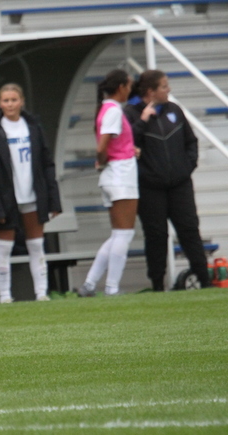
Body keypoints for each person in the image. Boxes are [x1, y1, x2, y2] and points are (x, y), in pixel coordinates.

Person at [125, 70, 211, 291]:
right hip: (150, 188)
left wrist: (187, 166)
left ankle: (205, 280)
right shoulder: (131, 113)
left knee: (189, 230)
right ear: (150, 92)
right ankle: (157, 286)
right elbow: (126, 145)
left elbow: (191, 142)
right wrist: (143, 122)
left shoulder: (174, 110)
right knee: (156, 236)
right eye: (164, 86)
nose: (168, 89)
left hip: (180, 184)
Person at [0, 83, 61, 303]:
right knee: (4, 246)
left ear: (22, 101)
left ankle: (41, 293)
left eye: (14, 100)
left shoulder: (32, 126)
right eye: (5, 100)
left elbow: (46, 163)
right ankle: (5, 296)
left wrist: (53, 199)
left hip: (32, 195)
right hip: (7, 198)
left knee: (36, 245)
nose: (10, 104)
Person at [77, 69, 138, 297]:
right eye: (129, 85)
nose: (130, 90)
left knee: (116, 234)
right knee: (124, 234)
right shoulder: (113, 110)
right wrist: (101, 161)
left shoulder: (105, 109)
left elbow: (112, 144)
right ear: (121, 87)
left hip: (114, 175)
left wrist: (130, 150)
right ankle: (112, 288)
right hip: (120, 175)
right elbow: (102, 147)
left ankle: (90, 284)